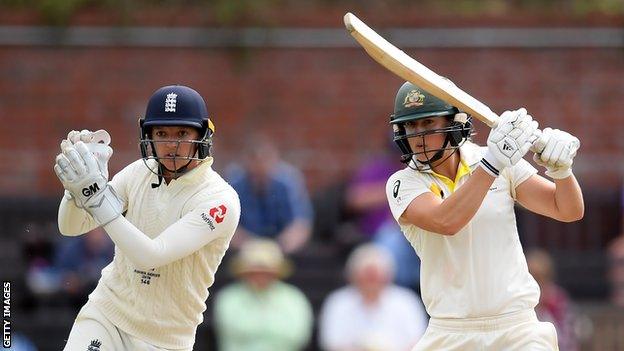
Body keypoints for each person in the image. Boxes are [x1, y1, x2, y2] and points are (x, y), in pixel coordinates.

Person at [385, 82, 584, 350]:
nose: (418, 136)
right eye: (411, 126)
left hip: (517, 330)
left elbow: (567, 210)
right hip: (450, 331)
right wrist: (492, 164)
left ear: (455, 123)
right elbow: (447, 221)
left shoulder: (497, 160)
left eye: (428, 123)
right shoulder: (403, 183)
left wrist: (562, 171)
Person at [53, 84, 240, 350]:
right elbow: (70, 227)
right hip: (107, 314)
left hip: (164, 339)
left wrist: (96, 198)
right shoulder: (137, 173)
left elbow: (152, 255)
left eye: (182, 133)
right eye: (162, 133)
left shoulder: (219, 201)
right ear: (148, 136)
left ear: (203, 135)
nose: (171, 145)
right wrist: (75, 191)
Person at [318, 243, 428, 351]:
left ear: (388, 276)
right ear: (353, 276)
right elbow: (331, 343)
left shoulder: (407, 302)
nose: (372, 282)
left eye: (375, 276)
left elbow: (418, 343)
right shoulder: (338, 302)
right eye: (367, 275)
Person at [213, 238, 313, 351]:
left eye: (266, 271)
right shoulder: (228, 297)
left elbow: (297, 335)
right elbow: (232, 329)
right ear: (245, 272)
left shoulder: (294, 297)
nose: (260, 276)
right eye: (255, 272)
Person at [227, 133, 313, 254]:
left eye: (265, 160)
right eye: (255, 161)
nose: (260, 167)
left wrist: (278, 249)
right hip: (244, 250)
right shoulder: (234, 183)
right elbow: (225, 225)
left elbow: (301, 225)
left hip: (283, 249)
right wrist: (250, 247)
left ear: (275, 160)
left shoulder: (289, 182)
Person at [527, 249, 579, 351]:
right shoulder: (520, 301)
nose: (535, 283)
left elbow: (568, 339)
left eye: (539, 277)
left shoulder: (558, 300)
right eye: (531, 276)